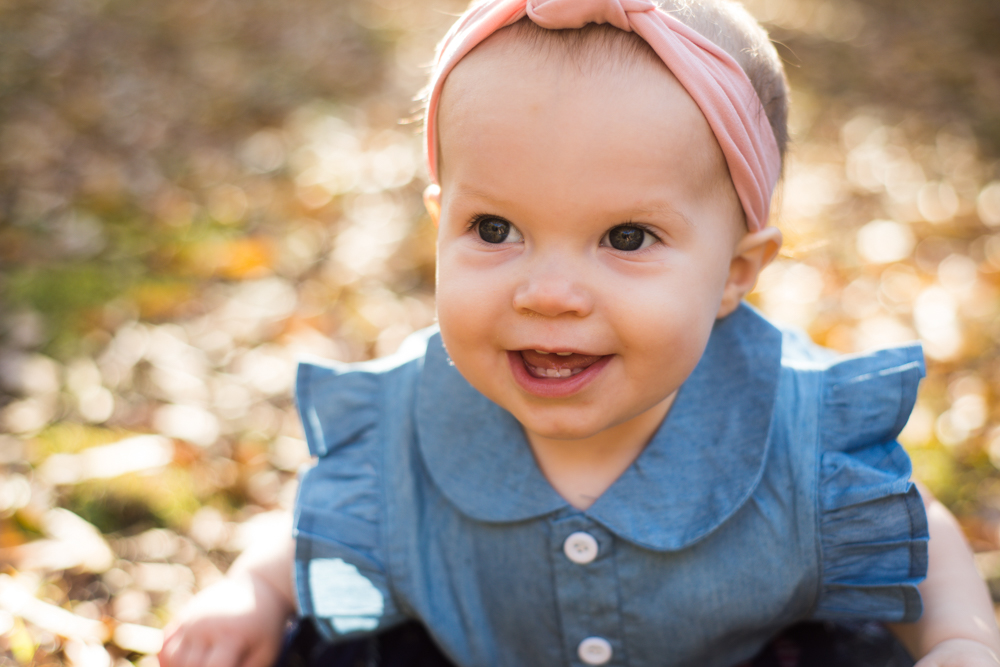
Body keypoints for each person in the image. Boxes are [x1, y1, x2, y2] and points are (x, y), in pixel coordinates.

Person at [158, 0, 1000, 665]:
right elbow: (332, 513)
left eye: (626, 238)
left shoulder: (799, 436)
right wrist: (253, 590)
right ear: (438, 223)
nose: (550, 293)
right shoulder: (408, 416)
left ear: (737, 272)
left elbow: (915, 536)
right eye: (494, 229)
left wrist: (962, 640)